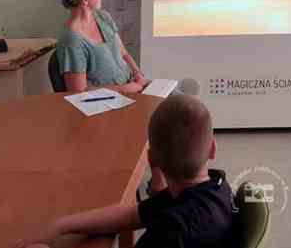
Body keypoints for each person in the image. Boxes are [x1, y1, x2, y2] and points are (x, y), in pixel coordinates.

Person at [16, 95, 238, 248]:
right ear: (212, 149)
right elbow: (133, 214)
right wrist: (61, 225)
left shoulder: (169, 231)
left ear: (152, 161)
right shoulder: (216, 187)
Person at [57, 0, 150, 94]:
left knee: (176, 97)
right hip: (113, 100)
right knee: (177, 107)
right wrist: (124, 89)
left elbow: (123, 53)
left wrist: (137, 73)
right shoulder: (71, 40)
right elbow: (78, 92)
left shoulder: (103, 17)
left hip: (134, 87)